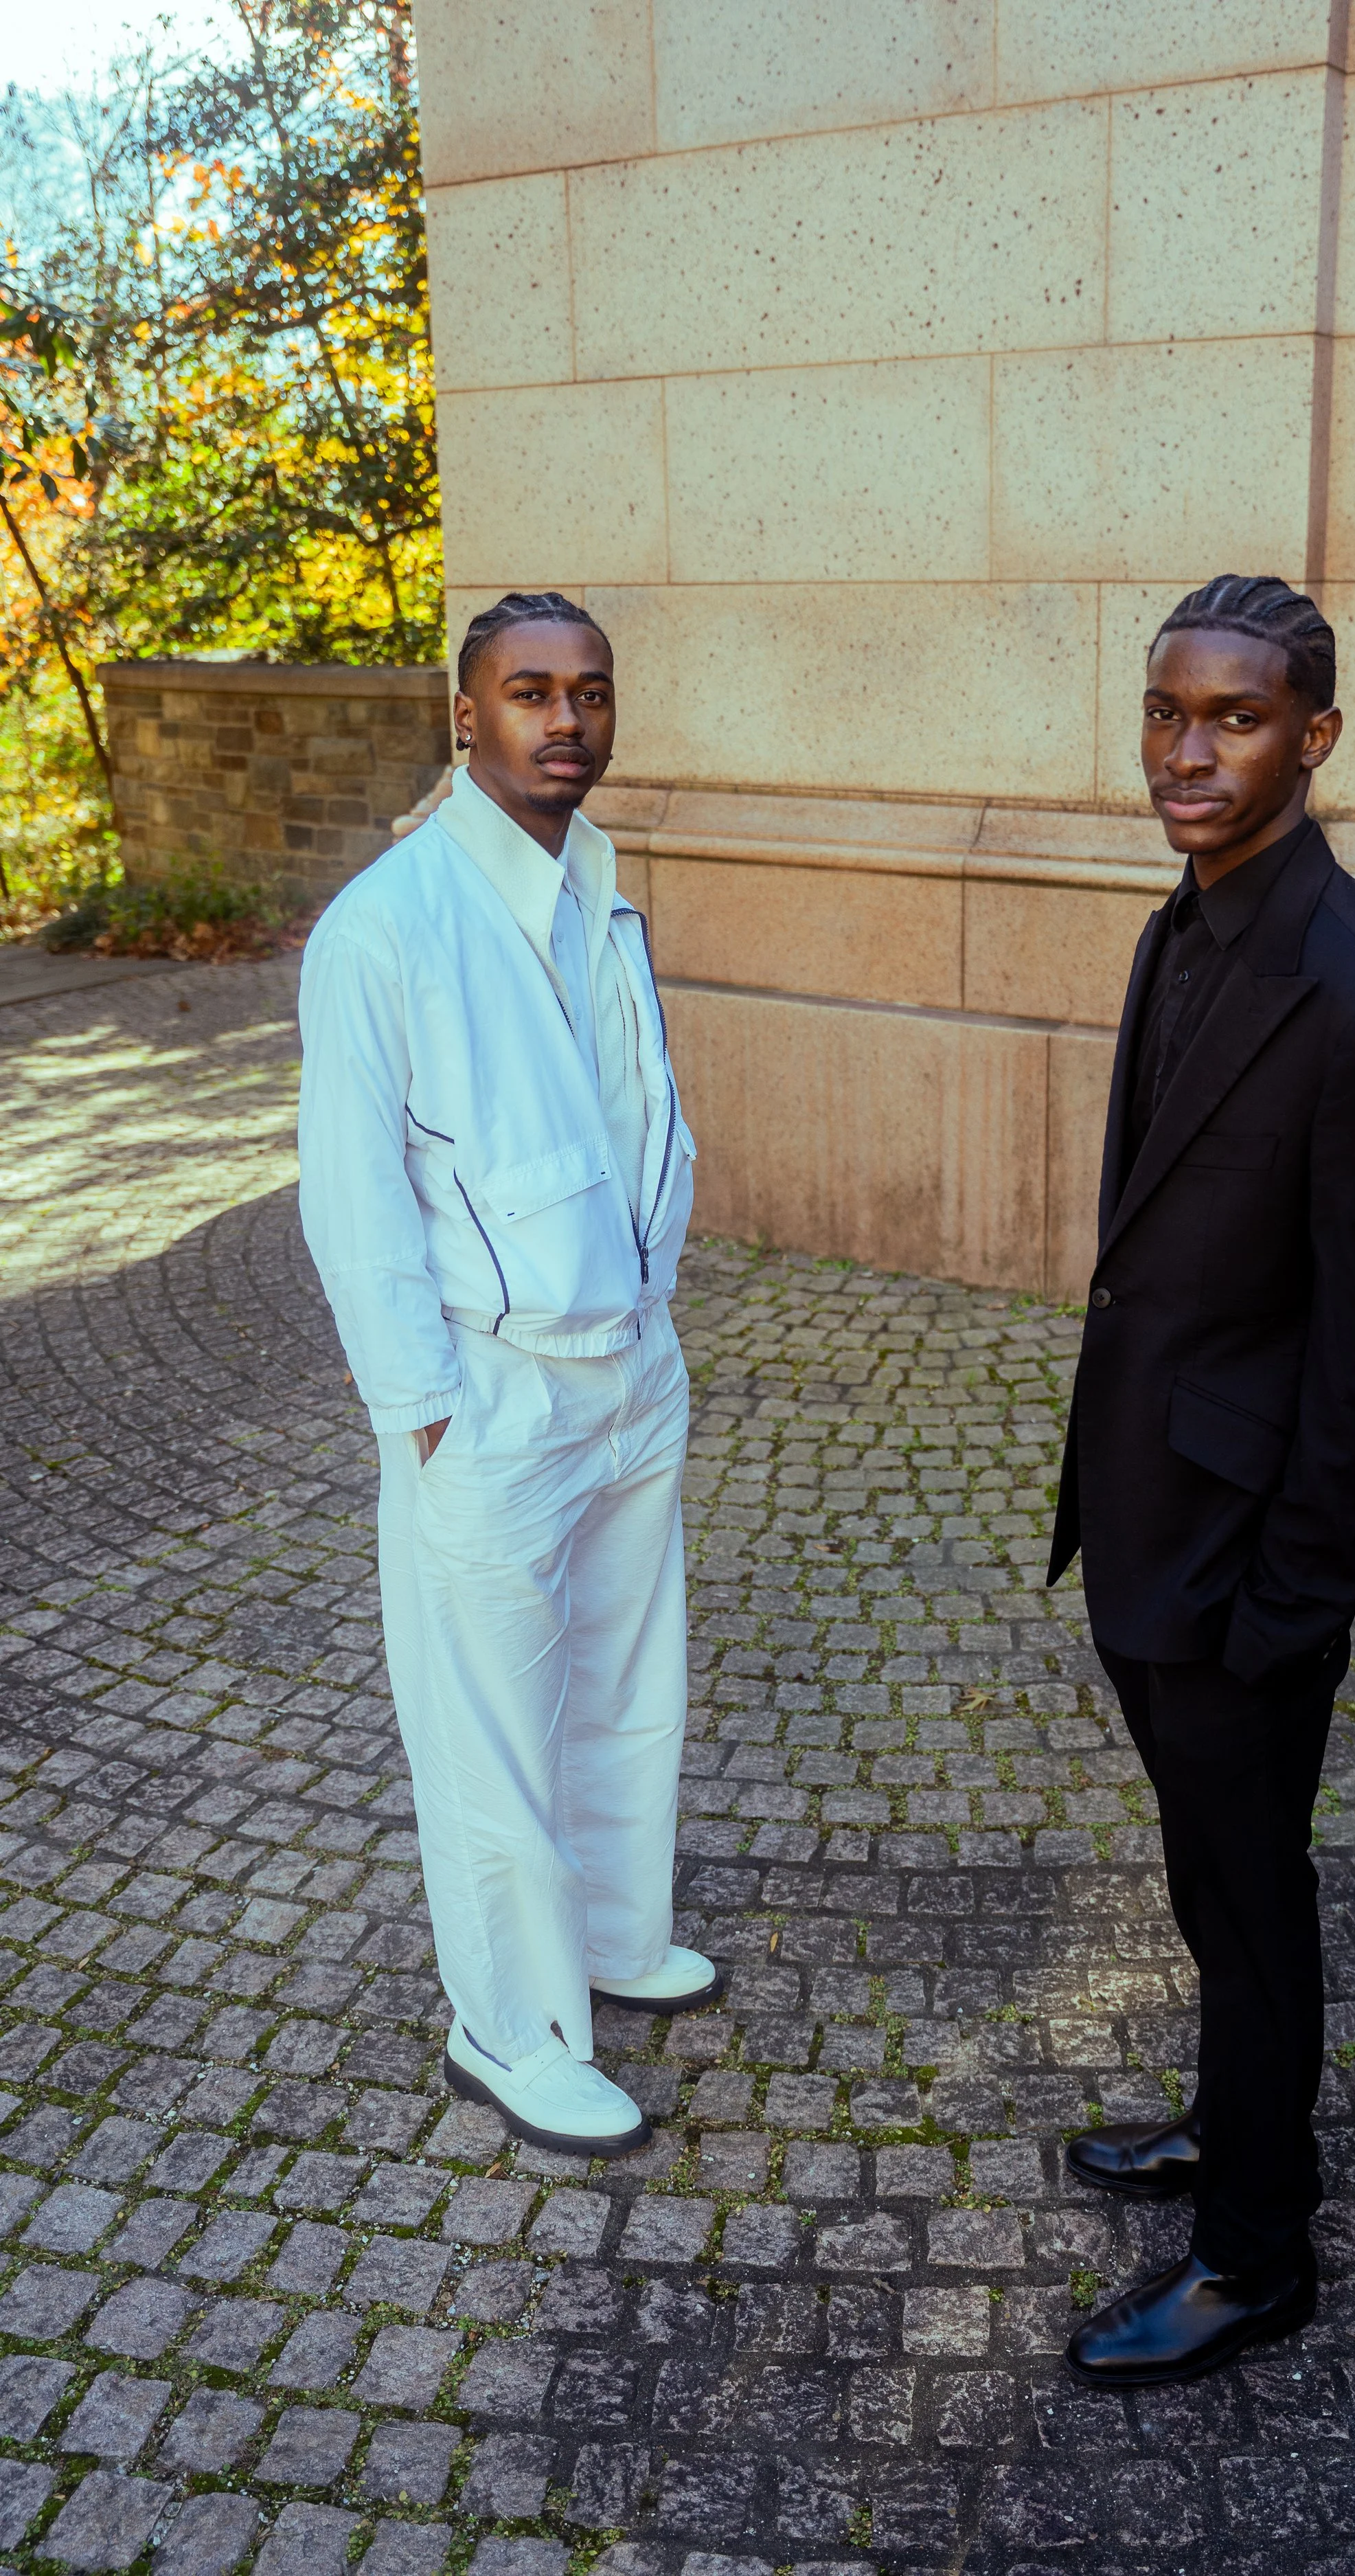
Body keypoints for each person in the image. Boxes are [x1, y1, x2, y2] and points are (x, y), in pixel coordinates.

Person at [1049, 574, 1355, 2386]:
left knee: (1252, 1883)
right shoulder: (1185, 921)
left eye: (1229, 716)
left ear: (1314, 732)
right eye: (1165, 711)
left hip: (1246, 1568)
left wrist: (1292, 1601)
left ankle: (1254, 2254)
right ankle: (1234, 2124)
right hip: (1152, 1510)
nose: (1186, 749)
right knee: (1208, 1879)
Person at [297, 590, 713, 2158]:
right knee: (485, 1726)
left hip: (626, 1370)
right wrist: (422, 1411)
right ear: (462, 714)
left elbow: (626, 1117)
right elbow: (354, 1200)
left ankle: (609, 1940)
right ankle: (510, 2026)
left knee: (621, 1683)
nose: (566, 720)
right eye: (530, 691)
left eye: (589, 692)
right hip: (484, 1396)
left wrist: (652, 1307)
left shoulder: (599, 888)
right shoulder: (385, 928)